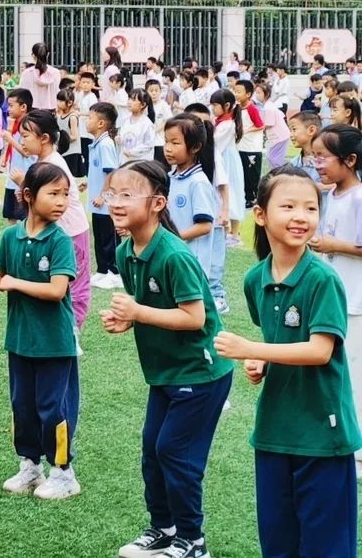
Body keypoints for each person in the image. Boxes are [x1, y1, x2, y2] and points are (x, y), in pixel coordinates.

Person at [211, 166, 360, 556]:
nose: (301, 217)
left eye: (311, 208)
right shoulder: (255, 278)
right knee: (278, 542)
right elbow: (277, 339)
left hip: (322, 435)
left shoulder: (322, 279)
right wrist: (263, 362)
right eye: (289, 206)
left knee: (326, 547)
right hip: (275, 431)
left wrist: (252, 351)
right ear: (260, 214)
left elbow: (319, 350)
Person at [101, 161, 233, 558]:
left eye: (127, 195)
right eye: (112, 194)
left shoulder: (174, 255)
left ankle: (193, 541)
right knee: (152, 451)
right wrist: (128, 319)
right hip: (164, 371)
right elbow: (149, 306)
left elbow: (194, 318)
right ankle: (164, 528)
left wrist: (137, 313)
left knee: (175, 453)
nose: (116, 202)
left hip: (201, 372)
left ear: (158, 202)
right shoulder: (126, 251)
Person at [0, 161, 81, 500]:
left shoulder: (60, 240)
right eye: (54, 193)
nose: (62, 201)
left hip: (54, 343)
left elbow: (56, 291)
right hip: (20, 339)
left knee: (53, 408)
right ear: (29, 196)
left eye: (65, 194)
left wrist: (11, 283)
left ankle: (63, 472)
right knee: (23, 405)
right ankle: (29, 465)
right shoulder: (11, 235)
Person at [309, 123, 362, 477]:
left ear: (350, 160)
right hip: (336, 295)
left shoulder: (358, 198)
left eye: (323, 156)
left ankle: (356, 452)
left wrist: (332, 246)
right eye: (314, 156)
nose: (317, 162)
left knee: (355, 375)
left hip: (356, 299)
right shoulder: (333, 195)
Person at [15, 111, 91, 333]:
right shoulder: (42, 163)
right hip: (53, 232)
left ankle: (72, 330)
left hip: (71, 231)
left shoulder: (53, 164)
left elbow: (48, 201)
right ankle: (56, 326)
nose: (22, 141)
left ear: (44, 138)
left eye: (26, 135)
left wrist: (23, 183)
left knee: (74, 283)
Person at [164, 114, 226, 319]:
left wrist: (173, 239)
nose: (168, 148)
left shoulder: (198, 182)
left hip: (192, 263)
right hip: (176, 257)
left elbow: (205, 226)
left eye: (175, 143)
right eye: (166, 142)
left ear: (195, 147)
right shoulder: (172, 177)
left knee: (192, 317)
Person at [87, 102, 122, 290]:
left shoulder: (106, 144)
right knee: (99, 237)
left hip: (105, 203)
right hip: (96, 201)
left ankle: (115, 272)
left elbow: (111, 173)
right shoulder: (97, 144)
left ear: (101, 123)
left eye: (90, 117)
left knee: (110, 238)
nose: (87, 120)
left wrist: (103, 196)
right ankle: (102, 270)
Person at [209, 89, 246, 249]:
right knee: (221, 194)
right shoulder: (220, 122)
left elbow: (215, 143)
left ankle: (235, 234)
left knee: (233, 194)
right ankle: (226, 231)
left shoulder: (227, 125)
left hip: (227, 161)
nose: (213, 109)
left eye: (215, 105)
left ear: (227, 105)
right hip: (222, 160)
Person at [1, 88, 35, 225]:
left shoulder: (29, 126)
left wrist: (10, 139)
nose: (8, 109)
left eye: (11, 105)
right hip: (13, 177)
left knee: (24, 218)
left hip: (23, 177)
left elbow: (27, 152)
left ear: (23, 107)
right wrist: (5, 157)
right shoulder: (16, 124)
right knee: (11, 216)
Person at [234, 80, 265, 208]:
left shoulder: (252, 109)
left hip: (252, 148)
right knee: (243, 173)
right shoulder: (237, 108)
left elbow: (260, 125)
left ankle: (254, 197)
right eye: (235, 91)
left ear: (248, 94)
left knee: (252, 175)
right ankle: (247, 196)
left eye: (239, 92)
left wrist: (246, 130)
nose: (236, 94)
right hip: (241, 146)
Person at [19, 42, 62, 111]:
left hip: (31, 110)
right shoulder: (55, 73)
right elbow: (57, 93)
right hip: (50, 111)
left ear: (33, 55)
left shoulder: (27, 73)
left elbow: (21, 93)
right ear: (48, 54)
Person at [118, 88, 155, 163]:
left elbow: (149, 145)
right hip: (126, 162)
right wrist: (120, 140)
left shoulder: (147, 124)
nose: (129, 102)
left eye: (133, 100)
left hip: (140, 164)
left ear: (143, 105)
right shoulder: (125, 121)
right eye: (129, 99)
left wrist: (132, 152)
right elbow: (127, 139)